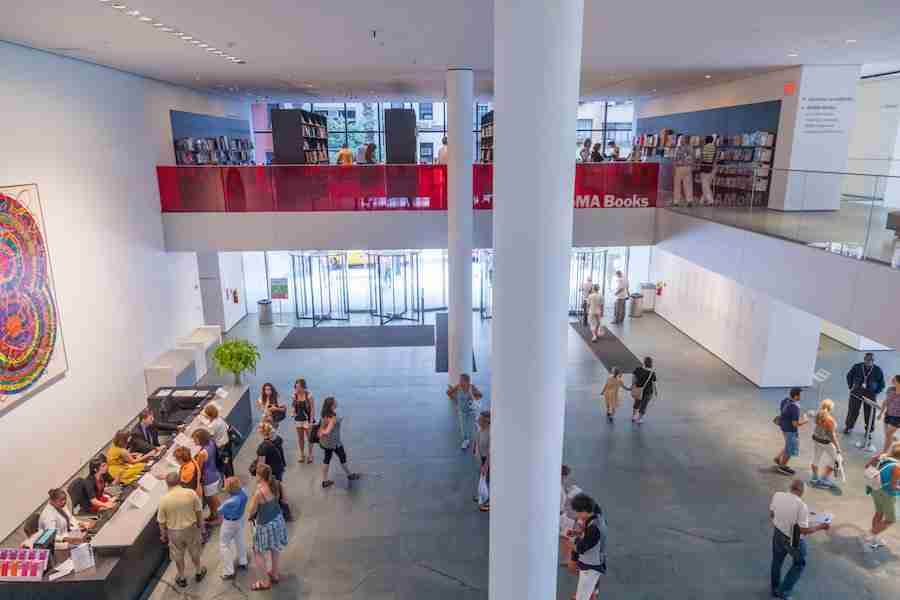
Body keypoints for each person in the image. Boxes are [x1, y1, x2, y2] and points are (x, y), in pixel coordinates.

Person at [770, 480, 830, 599]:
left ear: (791, 487)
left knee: (777, 561)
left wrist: (784, 521)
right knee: (799, 563)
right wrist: (821, 526)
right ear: (801, 491)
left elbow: (772, 514)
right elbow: (804, 530)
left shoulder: (777, 495)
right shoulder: (801, 505)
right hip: (794, 534)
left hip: (778, 531)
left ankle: (775, 588)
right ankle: (784, 591)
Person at [158, 472, 207, 589]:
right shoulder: (191, 493)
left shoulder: (164, 500)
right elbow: (199, 511)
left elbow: (161, 521)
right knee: (194, 550)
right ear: (179, 481)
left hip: (174, 532)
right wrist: (201, 525)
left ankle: (182, 577)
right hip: (191, 528)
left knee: (178, 555)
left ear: (167, 484)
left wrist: (163, 535)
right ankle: (199, 571)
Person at [246, 464, 288, 591]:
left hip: (264, 525)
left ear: (259, 476)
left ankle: (264, 582)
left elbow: (251, 511)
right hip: (277, 520)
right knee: (274, 547)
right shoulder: (277, 483)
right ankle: (274, 574)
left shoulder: (259, 492)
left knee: (257, 551)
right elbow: (285, 500)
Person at [569, 493, 608, 600]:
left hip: (590, 566)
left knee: (581, 597)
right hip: (597, 562)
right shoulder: (598, 518)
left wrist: (572, 544)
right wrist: (580, 532)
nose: (576, 515)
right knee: (590, 592)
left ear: (584, 511)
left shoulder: (593, 529)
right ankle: (592, 593)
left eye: (577, 512)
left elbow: (581, 547)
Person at [863, 442, 900, 550]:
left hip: (875, 488)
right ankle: (870, 535)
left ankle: (874, 538)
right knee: (890, 519)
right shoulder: (897, 467)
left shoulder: (882, 457)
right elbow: (893, 486)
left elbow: (867, 466)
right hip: (887, 494)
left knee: (879, 513)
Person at [319, 396, 360, 488]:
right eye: (335, 402)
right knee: (342, 457)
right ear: (332, 405)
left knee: (327, 459)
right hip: (334, 442)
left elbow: (323, 427)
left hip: (326, 443)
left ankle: (324, 480)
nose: (336, 402)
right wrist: (325, 431)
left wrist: (321, 433)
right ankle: (349, 475)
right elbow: (328, 430)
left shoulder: (324, 414)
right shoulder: (332, 417)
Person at [844, 352, 885, 439]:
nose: (869, 361)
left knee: (870, 413)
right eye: (867, 360)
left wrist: (875, 392)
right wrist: (851, 387)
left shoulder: (878, 370)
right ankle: (849, 427)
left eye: (871, 360)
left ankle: (868, 431)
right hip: (856, 393)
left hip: (870, 395)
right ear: (864, 359)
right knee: (852, 410)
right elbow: (849, 376)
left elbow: (882, 384)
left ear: (873, 361)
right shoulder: (857, 367)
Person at [218, 476, 248, 580]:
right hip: (240, 519)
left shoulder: (230, 502)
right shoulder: (244, 492)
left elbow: (219, 510)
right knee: (240, 539)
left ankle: (228, 571)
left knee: (224, 544)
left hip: (229, 523)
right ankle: (243, 560)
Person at [191, 428, 222, 525]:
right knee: (212, 499)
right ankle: (213, 515)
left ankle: (219, 518)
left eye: (195, 439)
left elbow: (198, 468)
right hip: (214, 474)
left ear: (201, 439)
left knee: (213, 501)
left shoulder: (202, 453)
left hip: (208, 479)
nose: (194, 441)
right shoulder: (211, 443)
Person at [809, 399, 842, 489]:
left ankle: (814, 478)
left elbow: (810, 414)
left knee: (816, 458)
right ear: (831, 409)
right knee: (837, 460)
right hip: (825, 442)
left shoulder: (817, 415)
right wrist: (838, 447)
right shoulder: (830, 420)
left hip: (816, 439)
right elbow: (831, 436)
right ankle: (824, 478)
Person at [774, 388, 808, 475]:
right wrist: (805, 420)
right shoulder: (795, 407)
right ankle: (782, 466)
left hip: (783, 427)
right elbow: (795, 424)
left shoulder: (785, 400)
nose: (801, 397)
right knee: (790, 448)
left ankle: (778, 458)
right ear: (796, 396)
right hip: (790, 430)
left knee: (788, 444)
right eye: (800, 395)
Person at [446, 373, 483, 450]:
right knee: (463, 428)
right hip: (462, 411)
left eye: (461, 380)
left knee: (473, 427)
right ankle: (465, 441)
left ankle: (477, 442)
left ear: (467, 381)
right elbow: (448, 393)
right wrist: (455, 400)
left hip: (471, 411)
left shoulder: (471, 387)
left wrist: (473, 395)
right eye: (460, 380)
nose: (460, 382)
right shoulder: (458, 387)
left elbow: (480, 395)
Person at [199, 404, 233, 477]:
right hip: (227, 443)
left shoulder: (212, 425)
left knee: (226, 466)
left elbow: (209, 437)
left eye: (206, 414)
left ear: (209, 415)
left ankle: (229, 481)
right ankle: (231, 477)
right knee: (229, 463)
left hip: (221, 448)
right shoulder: (219, 418)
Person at [292, 378, 316, 464]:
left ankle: (310, 455)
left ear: (303, 387)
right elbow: (294, 406)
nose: (297, 389)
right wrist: (293, 412)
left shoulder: (309, 396)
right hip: (298, 419)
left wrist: (311, 422)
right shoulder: (294, 395)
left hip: (307, 420)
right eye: (296, 387)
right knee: (300, 438)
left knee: (310, 438)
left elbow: (312, 410)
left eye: (298, 387)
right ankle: (302, 454)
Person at [472, 411, 491, 512]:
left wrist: (486, 465)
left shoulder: (490, 433)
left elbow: (490, 451)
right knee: (483, 478)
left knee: (487, 479)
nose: (478, 420)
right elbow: (478, 438)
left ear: (486, 421)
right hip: (481, 458)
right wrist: (475, 447)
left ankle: (487, 500)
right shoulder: (481, 429)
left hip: (486, 459)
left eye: (480, 419)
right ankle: (482, 495)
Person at [631, 357, 657, 424]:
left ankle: (633, 416)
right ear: (651, 363)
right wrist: (656, 392)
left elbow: (633, 377)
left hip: (638, 389)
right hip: (648, 392)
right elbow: (654, 383)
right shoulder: (652, 373)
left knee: (637, 403)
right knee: (644, 405)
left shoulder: (638, 369)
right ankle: (639, 419)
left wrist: (633, 385)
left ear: (644, 362)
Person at [879, 375, 900, 454]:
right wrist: (881, 413)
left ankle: (884, 453)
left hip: (897, 418)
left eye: (894, 380)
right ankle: (895, 442)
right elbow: (885, 402)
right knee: (887, 435)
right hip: (888, 414)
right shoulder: (890, 390)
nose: (892, 380)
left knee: (888, 434)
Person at [673, 138, 695, 206]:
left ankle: (676, 201)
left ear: (681, 142)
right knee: (688, 185)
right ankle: (689, 200)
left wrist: (674, 168)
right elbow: (693, 158)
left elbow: (675, 159)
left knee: (677, 185)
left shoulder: (678, 149)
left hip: (679, 168)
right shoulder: (691, 148)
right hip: (688, 168)